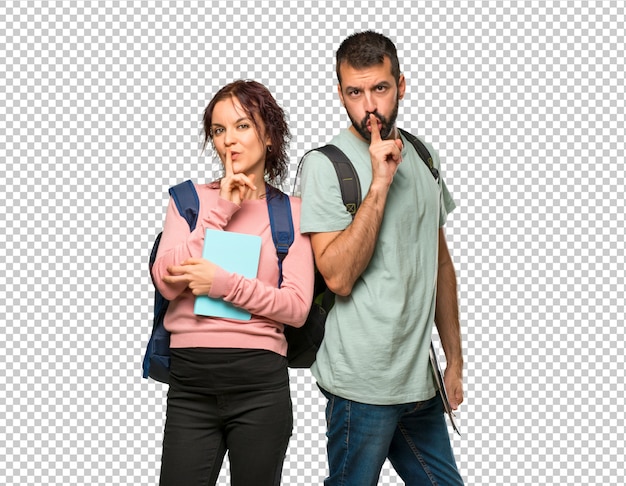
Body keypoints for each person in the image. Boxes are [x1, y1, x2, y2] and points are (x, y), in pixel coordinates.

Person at [299, 31, 465, 485]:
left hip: (420, 383)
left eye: (380, 89)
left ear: (401, 86)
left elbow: (441, 265)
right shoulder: (325, 165)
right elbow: (338, 277)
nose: (368, 105)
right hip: (360, 388)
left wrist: (454, 360)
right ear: (340, 94)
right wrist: (379, 183)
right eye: (355, 92)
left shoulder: (425, 155)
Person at [152, 80, 314, 486]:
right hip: (191, 386)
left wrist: (221, 283)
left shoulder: (292, 213)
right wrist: (220, 209)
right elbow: (167, 283)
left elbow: (295, 308)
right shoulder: (189, 200)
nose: (229, 142)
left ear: (270, 136)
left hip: (260, 387)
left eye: (242, 126)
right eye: (219, 131)